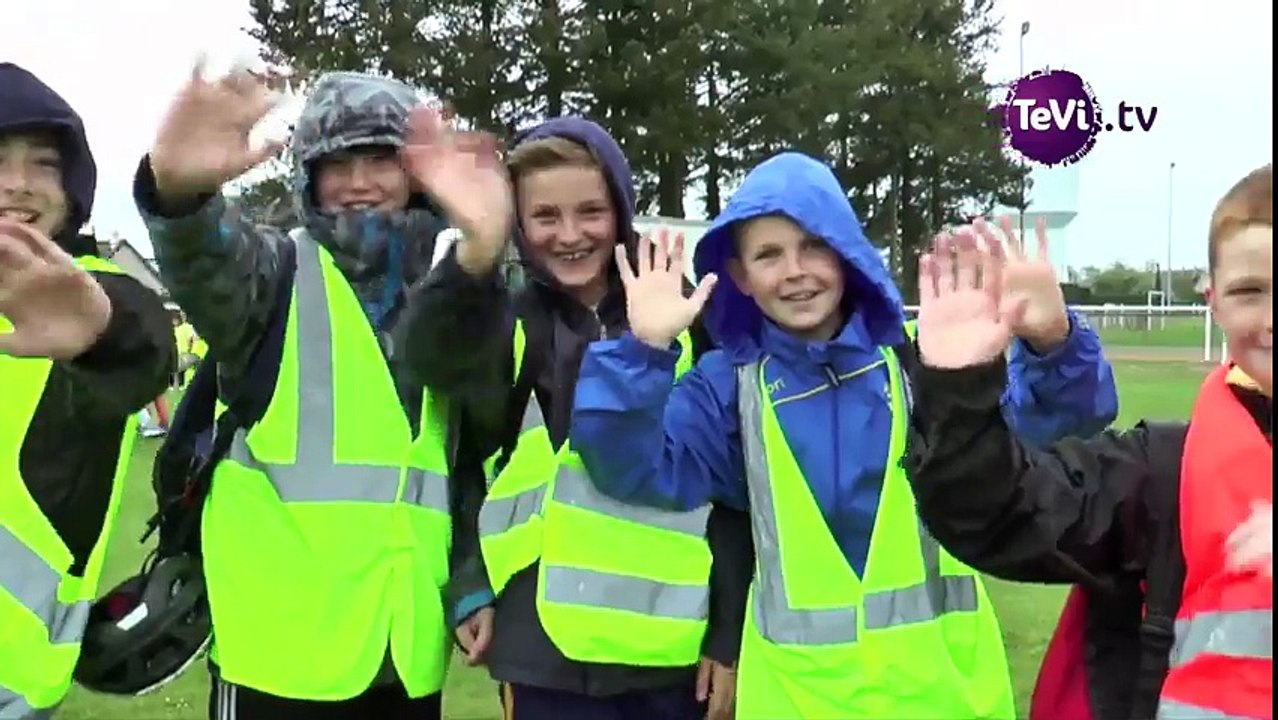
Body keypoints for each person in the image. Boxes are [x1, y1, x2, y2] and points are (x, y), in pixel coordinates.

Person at [567, 151, 1120, 719]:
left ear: (847, 251)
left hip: (943, 700)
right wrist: (643, 350)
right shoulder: (728, 388)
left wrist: (1053, 338)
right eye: (769, 255)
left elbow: (1067, 418)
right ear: (740, 277)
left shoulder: (927, 357)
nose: (794, 270)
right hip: (798, 703)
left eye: (813, 245)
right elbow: (626, 466)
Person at [133, 62, 509, 720]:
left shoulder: (452, 286)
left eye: (380, 160)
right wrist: (178, 198)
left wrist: (472, 586)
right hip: (276, 657)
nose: (359, 183)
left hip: (404, 654)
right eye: (337, 164)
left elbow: (459, 464)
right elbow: (202, 259)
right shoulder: (270, 275)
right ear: (308, 176)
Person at [396, 114, 754, 720]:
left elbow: (734, 494)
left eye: (591, 211)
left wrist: (727, 634)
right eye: (544, 216)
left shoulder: (692, 317)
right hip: (541, 653)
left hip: (672, 648)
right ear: (519, 221)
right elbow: (459, 455)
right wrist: (470, 587)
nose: (569, 235)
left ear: (621, 208)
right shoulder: (502, 316)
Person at [902, 162, 1271, 720]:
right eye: (1251, 291)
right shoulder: (1163, 474)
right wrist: (959, 385)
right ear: (1212, 300)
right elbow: (1000, 515)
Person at [0, 62, 175, 719]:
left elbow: (144, 346)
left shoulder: (94, 284)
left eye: (43, 163)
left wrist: (100, 331)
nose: (17, 184)